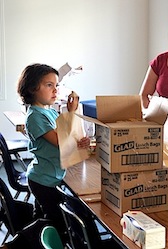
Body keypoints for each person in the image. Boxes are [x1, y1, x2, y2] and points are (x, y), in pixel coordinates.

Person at [16, 63, 90, 242]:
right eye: (49, 85)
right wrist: (71, 113)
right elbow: (61, 141)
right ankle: (15, 245)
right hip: (44, 179)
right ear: (33, 88)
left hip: (50, 175)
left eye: (56, 85)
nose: (55, 90)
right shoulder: (35, 116)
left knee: (44, 218)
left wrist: (79, 142)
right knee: (54, 221)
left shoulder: (47, 112)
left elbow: (67, 136)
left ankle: (32, 243)